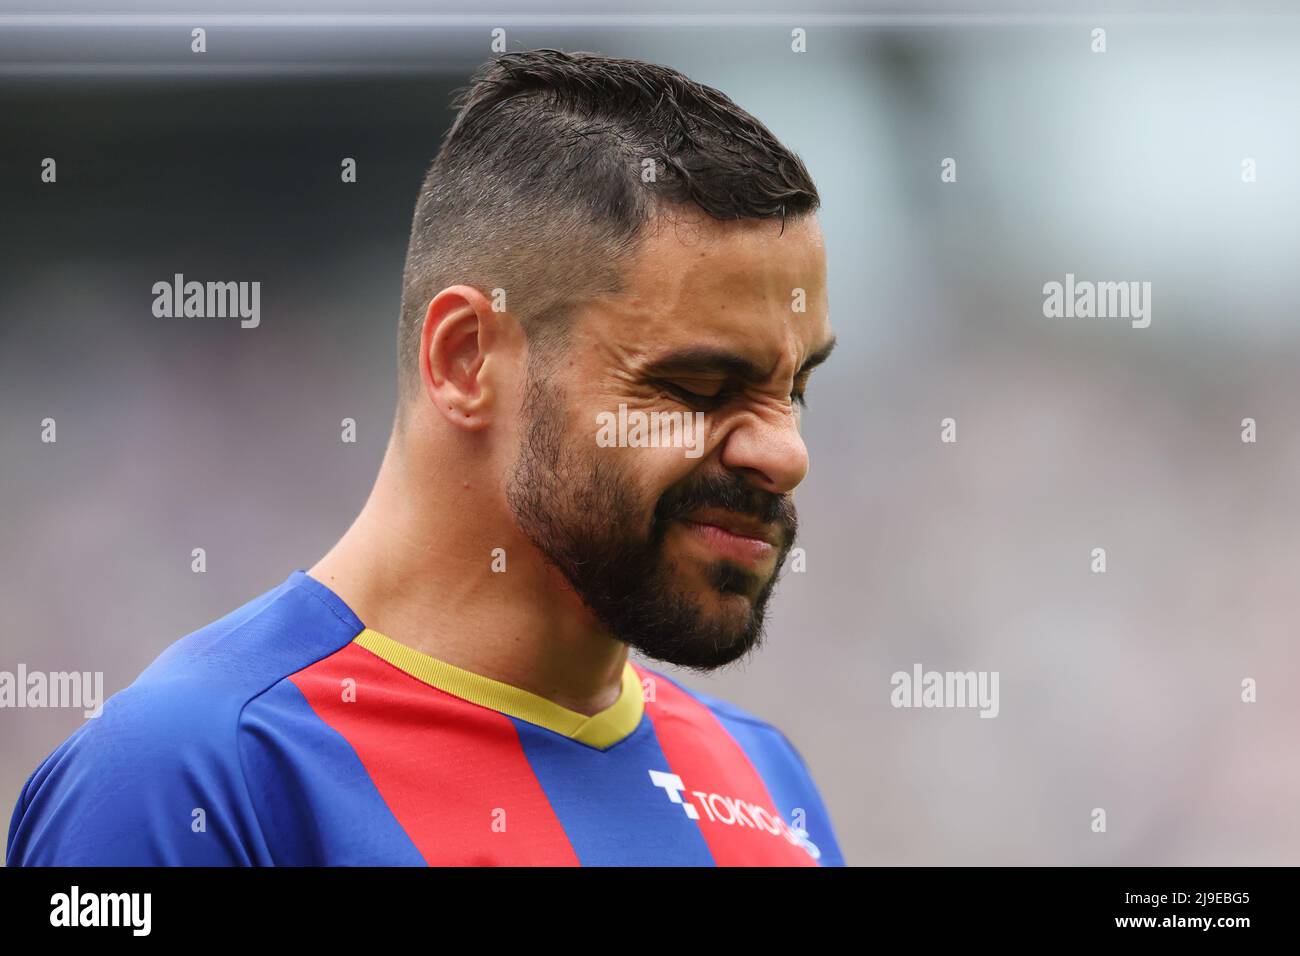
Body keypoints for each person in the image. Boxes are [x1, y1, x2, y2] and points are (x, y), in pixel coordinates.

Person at [7, 48, 842, 866]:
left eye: (793, 387)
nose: (783, 451)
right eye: (698, 384)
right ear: (466, 361)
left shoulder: (770, 787)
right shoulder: (189, 776)